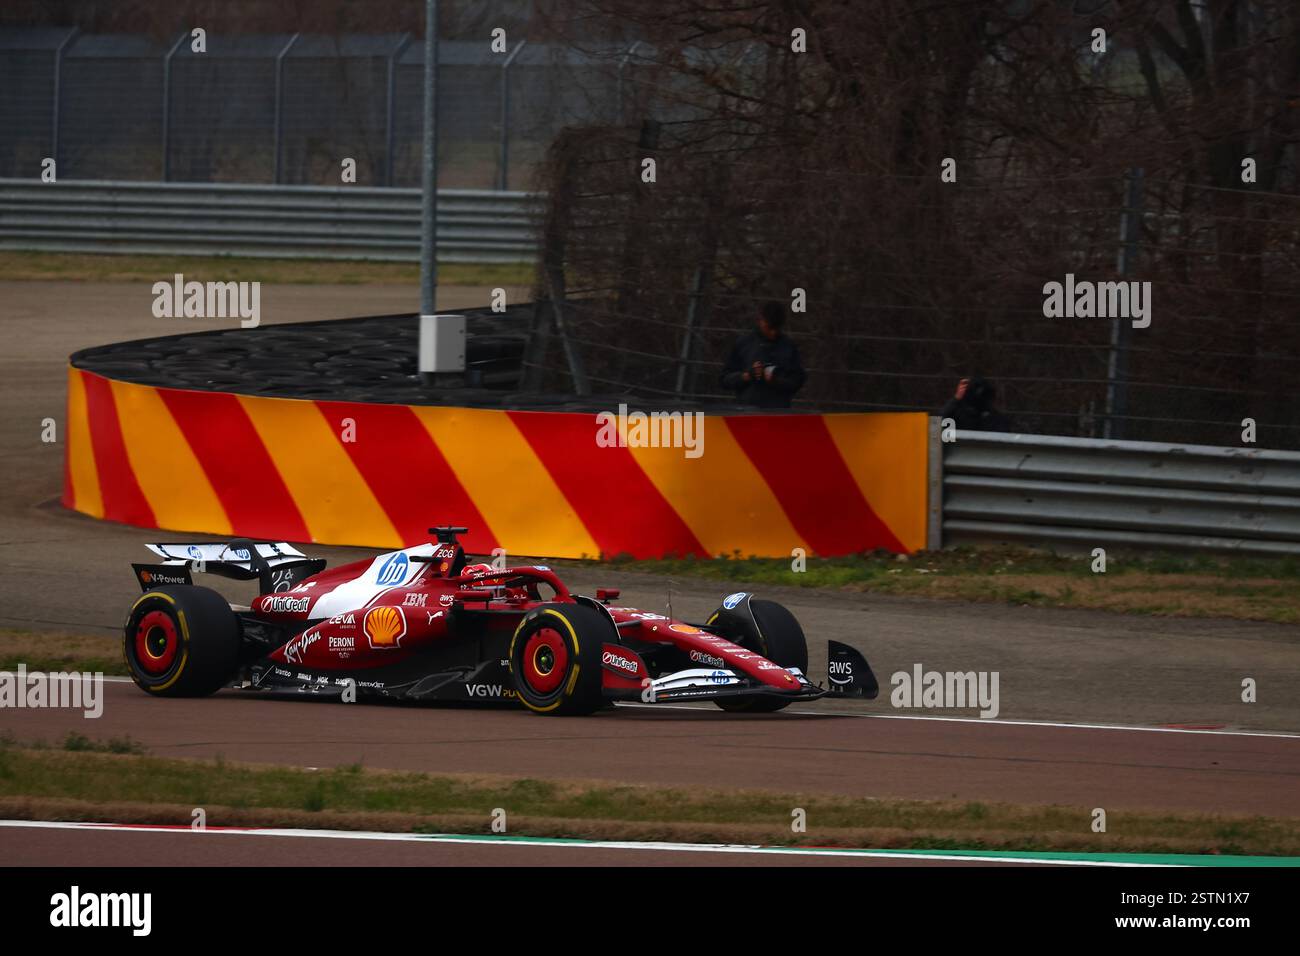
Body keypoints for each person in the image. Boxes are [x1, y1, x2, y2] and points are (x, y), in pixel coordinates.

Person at [720, 301, 806, 408]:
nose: (773, 333)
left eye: (776, 328)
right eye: (769, 328)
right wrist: (747, 376)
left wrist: (776, 381)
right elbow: (724, 380)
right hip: (746, 410)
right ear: (761, 320)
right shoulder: (744, 343)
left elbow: (797, 381)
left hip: (778, 411)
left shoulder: (788, 346)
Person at [940, 376, 1012, 432]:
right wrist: (956, 399)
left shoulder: (995, 419)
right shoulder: (959, 415)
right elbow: (941, 423)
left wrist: (956, 399)